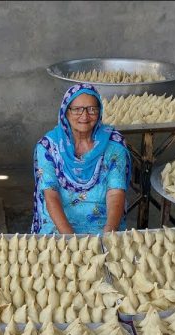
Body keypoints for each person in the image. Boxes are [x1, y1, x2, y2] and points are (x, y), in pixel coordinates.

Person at [31, 83, 131, 234]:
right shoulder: (48, 147)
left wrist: (109, 233)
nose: (84, 116)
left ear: (99, 112)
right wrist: (70, 238)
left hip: (102, 223)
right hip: (59, 224)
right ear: (66, 112)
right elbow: (51, 194)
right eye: (77, 109)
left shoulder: (114, 145)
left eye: (92, 109)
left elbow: (115, 192)